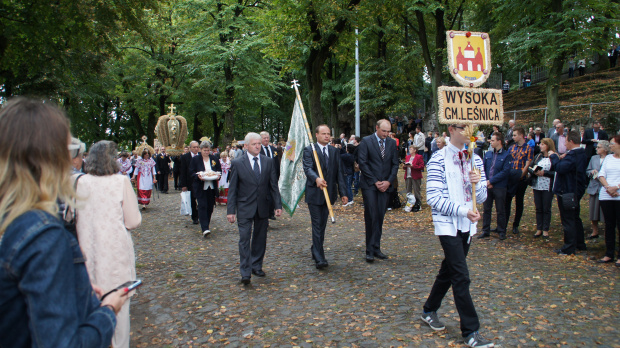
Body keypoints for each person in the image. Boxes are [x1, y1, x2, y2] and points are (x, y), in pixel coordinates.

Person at [0, 98, 128, 347]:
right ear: (52, 158)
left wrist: (77, 287)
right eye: (70, 151)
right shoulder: (43, 237)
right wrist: (107, 311)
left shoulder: (14, 223)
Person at [421, 123, 493, 348]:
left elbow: (480, 197)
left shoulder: (476, 159)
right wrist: (463, 210)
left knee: (449, 270)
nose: (469, 131)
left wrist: (477, 182)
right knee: (461, 275)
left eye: (472, 127)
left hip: (467, 225)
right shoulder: (438, 159)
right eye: (463, 127)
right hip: (447, 225)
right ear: (451, 129)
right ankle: (471, 331)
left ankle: (429, 309)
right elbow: (433, 197)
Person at [77, 140, 142, 348]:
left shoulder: (80, 182)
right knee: (120, 311)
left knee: (92, 306)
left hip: (87, 253)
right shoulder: (120, 182)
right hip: (115, 252)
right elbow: (133, 221)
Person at [227, 132, 282, 284]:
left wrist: (277, 205)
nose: (258, 146)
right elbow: (233, 189)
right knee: (244, 239)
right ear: (246, 146)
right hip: (244, 207)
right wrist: (231, 211)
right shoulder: (238, 163)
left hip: (263, 207)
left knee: (260, 238)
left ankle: (256, 265)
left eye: (259, 143)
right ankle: (245, 272)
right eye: (254, 144)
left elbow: (273, 186)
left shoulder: (268, 161)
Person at [303, 125, 348, 269]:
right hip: (315, 194)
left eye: (328, 134)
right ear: (316, 135)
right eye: (323, 134)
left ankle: (315, 248)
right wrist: (316, 179)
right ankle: (319, 256)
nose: (327, 136)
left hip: (329, 195)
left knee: (322, 224)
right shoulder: (310, 150)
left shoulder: (334, 151)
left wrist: (344, 193)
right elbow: (308, 168)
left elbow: (339, 173)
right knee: (317, 224)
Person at [357, 119, 399, 262]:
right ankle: (369, 249)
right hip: (370, 185)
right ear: (376, 128)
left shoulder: (392, 143)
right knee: (371, 215)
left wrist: (388, 181)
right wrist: (375, 181)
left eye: (388, 131)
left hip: (385, 185)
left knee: (380, 216)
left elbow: (395, 164)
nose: (386, 134)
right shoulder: (366, 141)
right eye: (384, 131)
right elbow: (363, 162)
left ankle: (376, 247)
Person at [551, 131, 588, 256]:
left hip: (567, 190)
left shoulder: (574, 156)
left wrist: (554, 157)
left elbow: (560, 168)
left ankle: (569, 247)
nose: (565, 143)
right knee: (575, 218)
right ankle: (579, 243)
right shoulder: (580, 153)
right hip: (575, 189)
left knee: (568, 220)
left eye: (566, 141)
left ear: (571, 141)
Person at [479, 132, 512, 240]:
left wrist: (492, 181)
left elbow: (505, 171)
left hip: (499, 186)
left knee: (500, 209)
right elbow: (483, 168)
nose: (491, 142)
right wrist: (486, 181)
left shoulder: (507, 155)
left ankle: (501, 230)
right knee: (487, 209)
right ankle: (485, 230)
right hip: (488, 186)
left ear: (499, 141)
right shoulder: (488, 154)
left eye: (493, 140)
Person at [189, 141, 222, 237]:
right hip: (200, 186)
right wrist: (197, 176)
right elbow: (191, 172)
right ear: (200, 150)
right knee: (202, 205)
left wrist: (217, 176)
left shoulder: (214, 158)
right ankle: (205, 228)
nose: (206, 152)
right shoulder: (196, 159)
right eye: (204, 150)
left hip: (211, 186)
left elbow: (219, 170)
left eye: (208, 150)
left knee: (210, 207)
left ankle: (206, 223)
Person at [597, 135, 620, 266]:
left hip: (618, 194)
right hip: (606, 195)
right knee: (609, 224)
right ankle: (609, 253)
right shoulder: (608, 158)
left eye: (612, 144)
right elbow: (601, 174)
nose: (610, 146)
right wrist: (607, 187)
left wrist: (615, 187)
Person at [505, 127, 533, 235]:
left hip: (521, 179)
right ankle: (505, 224)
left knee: (519, 201)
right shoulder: (511, 148)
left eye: (515, 135)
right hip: (511, 177)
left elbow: (528, 163)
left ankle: (516, 224)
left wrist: (521, 175)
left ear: (521, 135)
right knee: (507, 200)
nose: (513, 137)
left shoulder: (528, 148)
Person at [530, 138, 557, 240]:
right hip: (537, 184)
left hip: (547, 185)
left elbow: (556, 172)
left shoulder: (553, 157)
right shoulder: (538, 156)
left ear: (548, 146)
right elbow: (530, 166)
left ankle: (545, 229)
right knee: (538, 207)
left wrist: (545, 173)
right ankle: (539, 228)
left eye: (543, 144)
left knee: (546, 208)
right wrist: (534, 171)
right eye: (540, 144)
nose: (540, 146)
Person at [586, 140, 609, 240]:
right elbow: (587, 171)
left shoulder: (610, 159)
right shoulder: (593, 158)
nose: (596, 149)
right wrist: (592, 172)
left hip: (605, 188)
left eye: (599, 147)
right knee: (593, 210)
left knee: (605, 212)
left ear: (605, 149)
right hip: (594, 187)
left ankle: (607, 231)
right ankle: (594, 230)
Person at [260, 131, 280, 220]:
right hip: (262, 177)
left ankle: (271, 212)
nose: (266, 139)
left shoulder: (273, 149)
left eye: (267, 138)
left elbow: (277, 163)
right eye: (264, 138)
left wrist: (278, 175)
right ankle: (265, 215)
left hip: (273, 176)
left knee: (273, 195)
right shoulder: (258, 150)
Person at [179, 141, 200, 225]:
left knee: (201, 200)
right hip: (190, 182)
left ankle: (201, 214)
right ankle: (194, 217)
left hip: (200, 182)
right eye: (194, 147)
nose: (196, 149)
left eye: (197, 147)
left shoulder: (201, 156)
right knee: (192, 200)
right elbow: (183, 171)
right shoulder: (185, 157)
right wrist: (183, 184)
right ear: (190, 148)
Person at [404, 145, 424, 212]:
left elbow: (421, 166)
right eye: (409, 149)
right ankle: (409, 204)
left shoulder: (419, 157)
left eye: (411, 149)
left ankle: (418, 204)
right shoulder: (408, 157)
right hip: (408, 175)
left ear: (415, 150)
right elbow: (405, 166)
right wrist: (405, 165)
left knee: (416, 190)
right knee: (408, 190)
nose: (410, 150)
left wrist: (413, 166)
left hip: (415, 175)